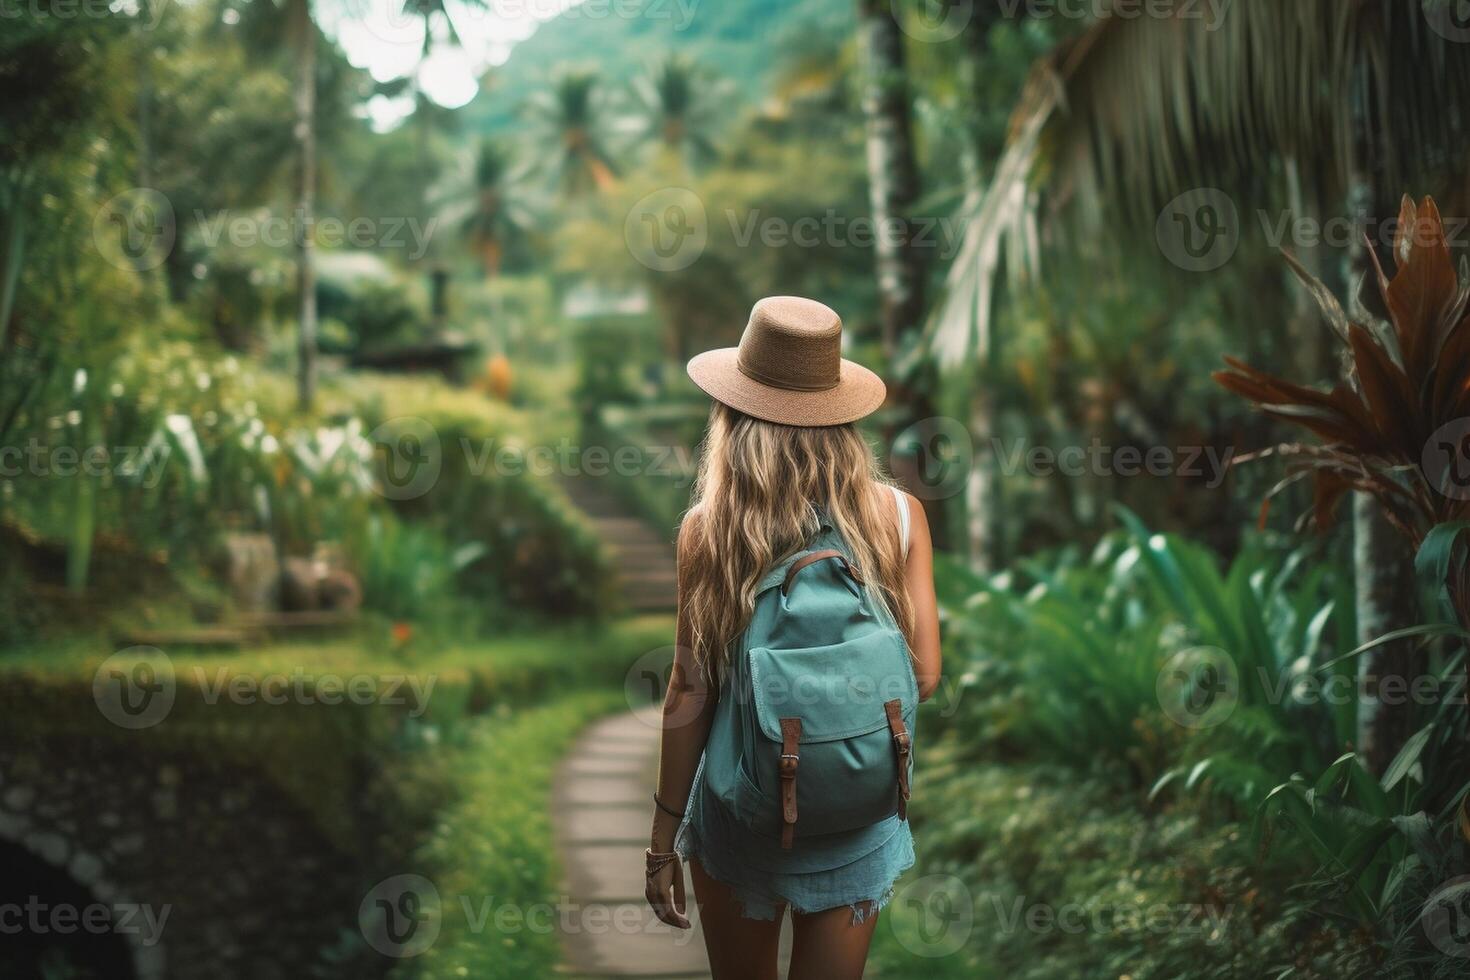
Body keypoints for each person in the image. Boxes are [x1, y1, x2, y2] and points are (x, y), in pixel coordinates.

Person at [644, 296, 942, 979]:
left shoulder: (710, 528)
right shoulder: (899, 516)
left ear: (734, 412)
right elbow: (923, 673)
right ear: (839, 413)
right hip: (856, 815)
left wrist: (662, 841)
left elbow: (688, 691)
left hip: (738, 811)